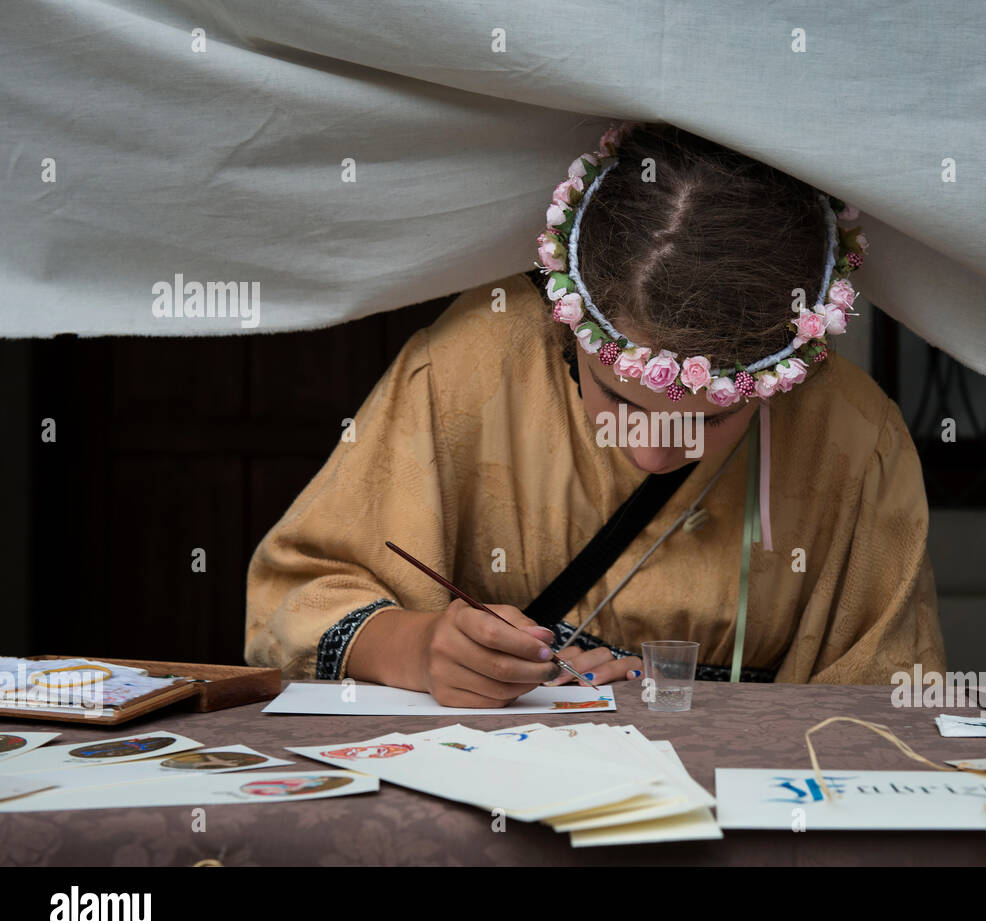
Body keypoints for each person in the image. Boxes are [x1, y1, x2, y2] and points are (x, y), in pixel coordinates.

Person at [245, 121, 945, 707]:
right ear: (567, 320)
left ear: (790, 376)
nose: (650, 452)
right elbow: (294, 599)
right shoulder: (475, 360)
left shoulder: (853, 434)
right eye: (617, 398)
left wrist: (680, 697)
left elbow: (886, 702)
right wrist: (424, 650)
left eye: (709, 420)